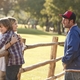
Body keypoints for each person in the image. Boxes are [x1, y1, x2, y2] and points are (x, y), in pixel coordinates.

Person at [60, 10, 80, 80]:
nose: (63, 22)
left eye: (65, 20)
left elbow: (73, 49)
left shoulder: (73, 32)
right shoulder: (75, 30)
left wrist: (65, 61)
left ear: (71, 21)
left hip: (73, 69)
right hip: (75, 68)